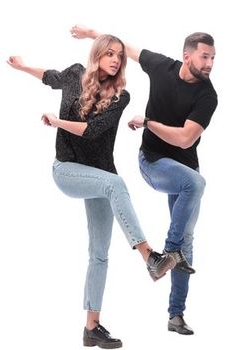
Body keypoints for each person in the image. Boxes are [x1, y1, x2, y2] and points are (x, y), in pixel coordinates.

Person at [8, 33, 178, 349]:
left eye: (119, 56)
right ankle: (150, 257)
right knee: (115, 183)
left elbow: (92, 131)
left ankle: (91, 328)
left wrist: (58, 121)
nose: (115, 59)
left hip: (101, 177)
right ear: (97, 54)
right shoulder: (75, 73)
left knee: (99, 253)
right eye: (110, 53)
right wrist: (22, 67)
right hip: (67, 169)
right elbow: (50, 77)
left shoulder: (120, 97)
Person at [71, 25, 217, 337]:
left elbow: (185, 139)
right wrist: (91, 34)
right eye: (204, 57)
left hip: (183, 168)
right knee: (196, 185)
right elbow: (126, 47)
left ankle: (175, 315)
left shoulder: (208, 95)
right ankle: (170, 250)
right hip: (152, 163)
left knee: (189, 224)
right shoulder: (163, 66)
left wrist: (149, 122)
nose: (209, 64)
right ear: (186, 56)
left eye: (213, 58)